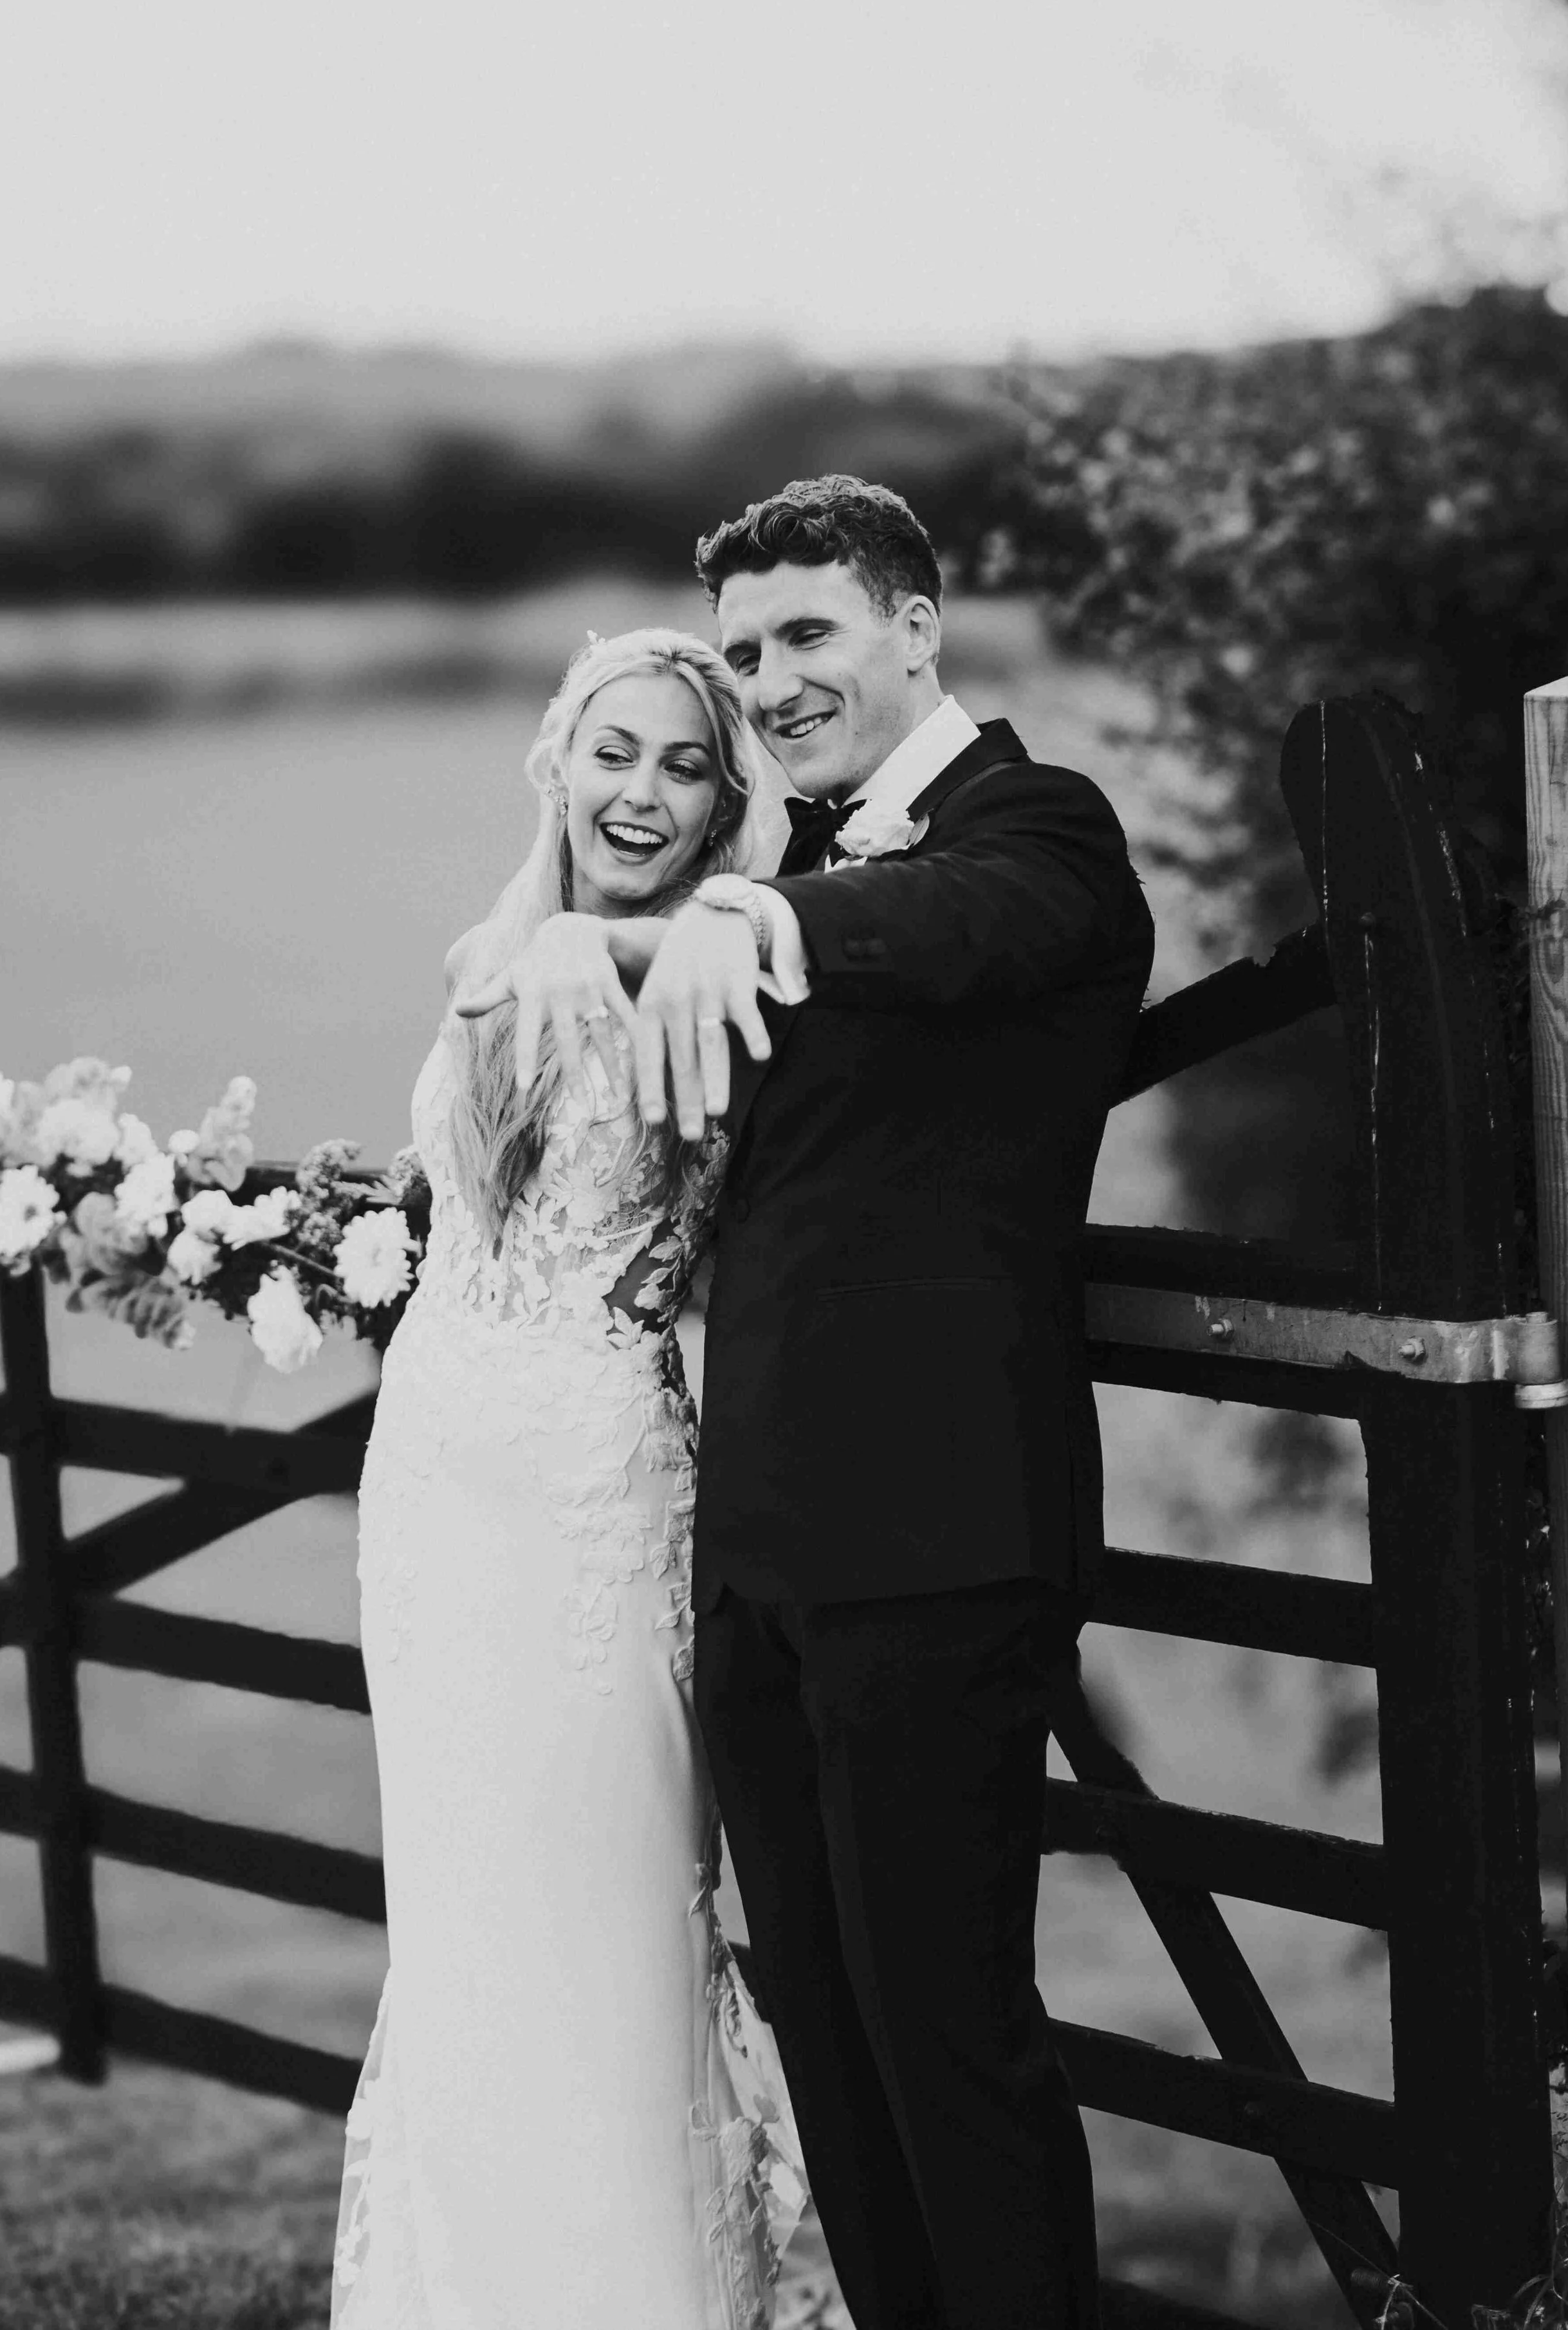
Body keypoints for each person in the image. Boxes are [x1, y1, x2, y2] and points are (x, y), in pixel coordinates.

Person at [481, 476, 1155, 2330]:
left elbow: (969, 921)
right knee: (830, 2035)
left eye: (810, 637)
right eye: (748, 647)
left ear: (915, 627)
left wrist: (757, 929)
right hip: (761, 1550)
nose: (772, 682)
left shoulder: (1034, 828)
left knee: (948, 2034)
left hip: (938, 1541)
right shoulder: (784, 868)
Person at [329, 627, 807, 2330]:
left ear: (724, 802)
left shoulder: (696, 968)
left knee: (602, 1893)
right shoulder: (496, 949)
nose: (643, 790)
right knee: (461, 1900)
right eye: (616, 749)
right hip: (437, 1477)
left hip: (595, 1486)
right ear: (558, 758)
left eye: (685, 765)